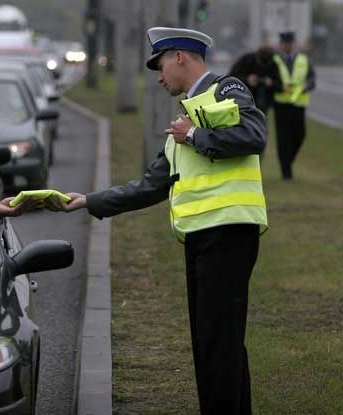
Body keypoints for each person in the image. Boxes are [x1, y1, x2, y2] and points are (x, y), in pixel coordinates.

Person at [49, 27, 268, 415]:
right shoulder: (183, 120)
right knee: (213, 343)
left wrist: (196, 135)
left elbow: (254, 135)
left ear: (180, 57)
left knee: (218, 342)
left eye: (161, 64)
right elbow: (150, 185)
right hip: (201, 239)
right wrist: (88, 201)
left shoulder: (226, 90)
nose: (159, 75)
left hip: (230, 234)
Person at [272, 31, 316, 180]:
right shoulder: (274, 60)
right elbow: (270, 81)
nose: (288, 46)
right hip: (281, 105)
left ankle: (287, 162)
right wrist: (279, 87)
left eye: (290, 43)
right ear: (280, 44)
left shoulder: (304, 59)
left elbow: (312, 79)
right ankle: (286, 173)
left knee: (299, 136)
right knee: (283, 139)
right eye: (285, 43)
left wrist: (306, 85)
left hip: (299, 104)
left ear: (294, 44)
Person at [229, 45, 279, 116]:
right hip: (244, 99)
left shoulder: (273, 64)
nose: (262, 66)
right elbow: (231, 77)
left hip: (264, 99)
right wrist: (247, 79)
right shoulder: (246, 60)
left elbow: (279, 84)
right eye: (260, 63)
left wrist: (271, 83)